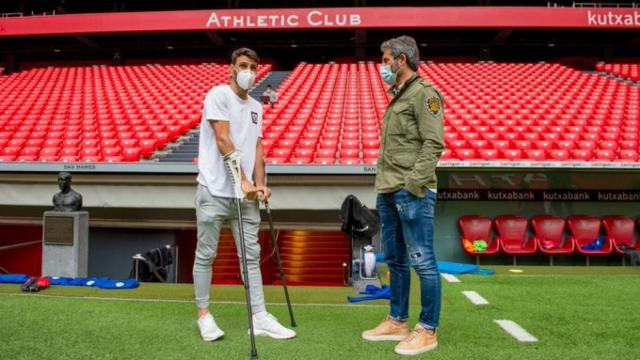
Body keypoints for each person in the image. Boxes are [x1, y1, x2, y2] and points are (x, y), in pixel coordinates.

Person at [193, 47, 296, 342]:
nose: (248, 70)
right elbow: (223, 138)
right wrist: (242, 180)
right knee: (206, 255)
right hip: (213, 190)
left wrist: (259, 184)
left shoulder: (256, 107)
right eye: (243, 65)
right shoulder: (218, 95)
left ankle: (260, 316)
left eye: (252, 66)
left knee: (251, 256)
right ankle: (204, 315)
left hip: (246, 197)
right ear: (232, 68)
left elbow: (258, 148)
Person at [361, 35, 445, 356]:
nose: (382, 66)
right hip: (388, 189)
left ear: (402, 60)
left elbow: (433, 143)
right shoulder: (396, 97)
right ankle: (397, 321)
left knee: (422, 260)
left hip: (412, 190)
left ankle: (428, 329)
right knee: (395, 260)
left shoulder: (425, 95)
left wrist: (412, 184)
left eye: (385, 60)